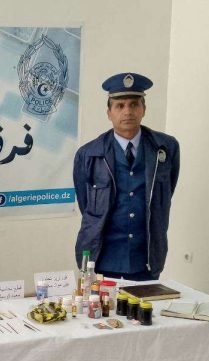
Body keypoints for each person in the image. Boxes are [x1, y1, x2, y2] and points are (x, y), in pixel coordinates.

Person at [73, 73, 180, 281]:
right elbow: (85, 206)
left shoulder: (166, 148)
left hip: (146, 258)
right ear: (109, 113)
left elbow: (167, 192)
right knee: (101, 303)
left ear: (144, 109)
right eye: (120, 106)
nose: (127, 111)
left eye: (134, 104)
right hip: (103, 258)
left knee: (147, 303)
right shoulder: (88, 154)